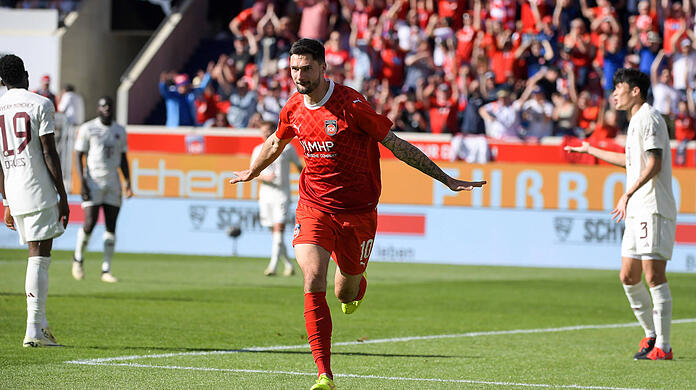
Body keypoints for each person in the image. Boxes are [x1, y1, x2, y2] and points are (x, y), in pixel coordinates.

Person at [230, 38, 486, 390]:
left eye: (306, 68)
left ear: (323, 67)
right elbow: (276, 142)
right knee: (312, 279)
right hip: (314, 206)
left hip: (358, 213)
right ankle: (324, 374)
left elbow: (396, 144)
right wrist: (253, 171)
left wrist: (445, 178)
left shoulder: (351, 105)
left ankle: (356, 285)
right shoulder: (293, 108)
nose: (299, 75)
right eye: (294, 69)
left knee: (345, 292)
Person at [566, 68, 676, 361]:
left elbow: (654, 163)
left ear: (635, 91)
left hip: (652, 206)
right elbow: (630, 162)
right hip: (638, 210)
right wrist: (592, 149)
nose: (615, 93)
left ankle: (664, 347)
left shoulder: (649, 118)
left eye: (619, 88)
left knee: (654, 276)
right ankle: (651, 335)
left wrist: (627, 193)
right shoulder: (635, 122)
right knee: (628, 276)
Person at [0, 54, 70, 347]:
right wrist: (63, 196)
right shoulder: (40, 103)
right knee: (40, 254)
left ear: (2, 82)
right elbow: (49, 153)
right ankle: (33, 329)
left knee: (36, 252)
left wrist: (5, 201)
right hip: (36, 185)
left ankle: (41, 325)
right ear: (26, 76)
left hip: (13, 188)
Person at [72, 96, 133, 283]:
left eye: (109, 106)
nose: (107, 109)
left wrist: (128, 181)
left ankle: (106, 269)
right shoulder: (88, 128)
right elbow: (78, 155)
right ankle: (78, 259)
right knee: (89, 223)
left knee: (111, 227)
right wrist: (81, 182)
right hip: (93, 181)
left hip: (112, 182)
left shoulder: (119, 130)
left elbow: (123, 158)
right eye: (103, 106)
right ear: (98, 108)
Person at [252, 121, 304, 276]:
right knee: (273, 232)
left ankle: (273, 266)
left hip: (282, 195)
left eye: (268, 130)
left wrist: (306, 182)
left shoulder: (287, 148)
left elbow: (299, 167)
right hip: (266, 195)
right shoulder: (257, 150)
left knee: (278, 230)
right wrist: (264, 178)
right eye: (263, 131)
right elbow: (252, 173)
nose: (265, 134)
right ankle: (288, 264)